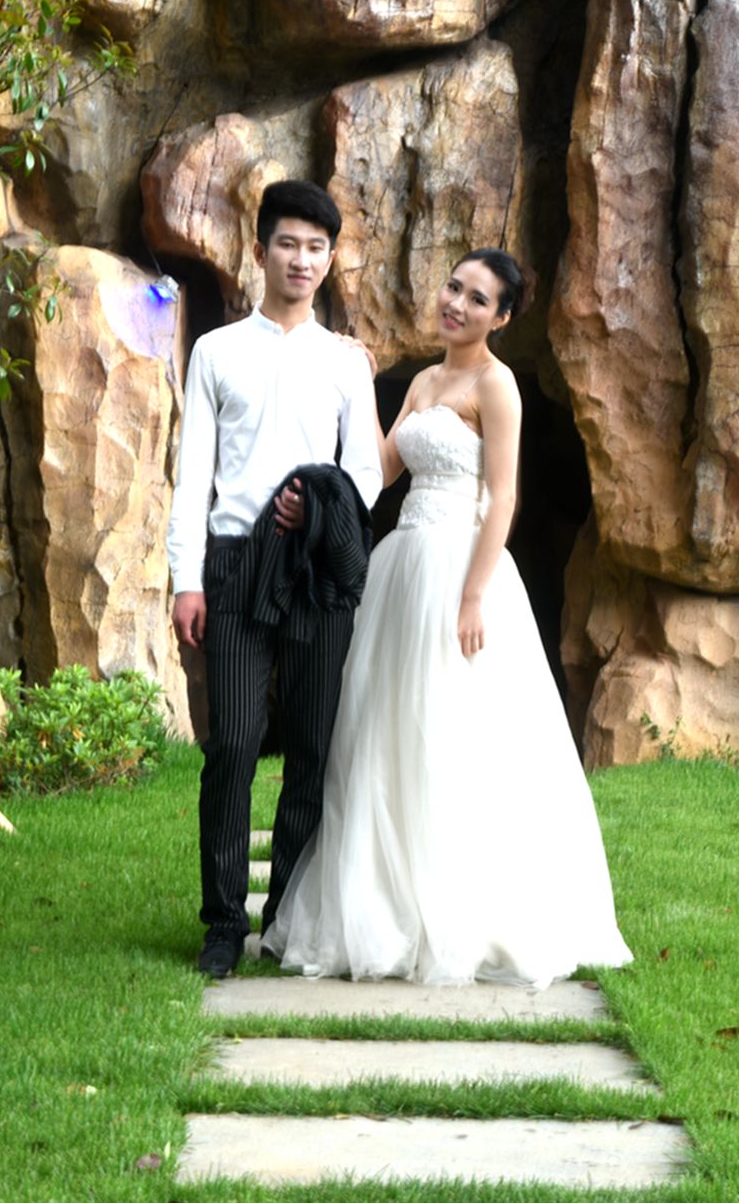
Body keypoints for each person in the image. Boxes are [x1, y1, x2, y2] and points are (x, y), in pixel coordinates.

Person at [260, 249, 632, 988]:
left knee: (456, 731)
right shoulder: (426, 380)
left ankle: (462, 908)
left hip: (463, 568)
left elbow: (503, 498)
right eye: (453, 287)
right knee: (387, 728)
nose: (456, 303)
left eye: (477, 298)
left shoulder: (498, 385)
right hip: (404, 568)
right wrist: (360, 385)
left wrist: (472, 595)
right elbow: (382, 470)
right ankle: (388, 901)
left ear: (502, 316)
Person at [166, 180, 383, 979]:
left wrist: (320, 509)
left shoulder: (345, 362)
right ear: (259, 251)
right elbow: (193, 473)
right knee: (232, 743)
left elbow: (366, 471)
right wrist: (186, 579)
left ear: (330, 260)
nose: (302, 259)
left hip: (316, 570)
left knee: (312, 747)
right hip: (232, 563)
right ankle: (223, 922)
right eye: (288, 243)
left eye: (317, 247)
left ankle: (286, 915)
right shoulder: (217, 350)